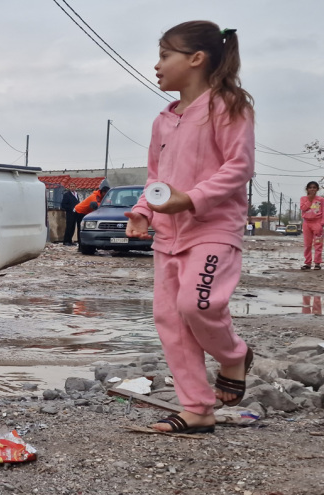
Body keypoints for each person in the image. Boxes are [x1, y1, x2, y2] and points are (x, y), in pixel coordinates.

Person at [124, 21, 255, 434]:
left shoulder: (228, 105)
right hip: (169, 236)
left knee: (198, 304)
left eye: (165, 55)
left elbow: (239, 166)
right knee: (169, 318)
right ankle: (197, 409)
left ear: (196, 59)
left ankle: (234, 355)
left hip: (214, 227)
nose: (157, 65)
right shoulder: (163, 120)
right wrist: (145, 209)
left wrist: (192, 198)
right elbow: (155, 177)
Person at [73, 179, 110, 250]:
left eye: (107, 192)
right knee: (81, 229)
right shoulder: (94, 197)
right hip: (80, 211)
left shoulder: (102, 197)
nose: (105, 194)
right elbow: (98, 207)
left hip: (86, 213)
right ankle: (81, 247)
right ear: (101, 191)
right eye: (104, 192)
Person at [299, 181, 323, 270]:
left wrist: (322, 223)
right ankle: (308, 263)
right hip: (307, 223)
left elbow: (323, 211)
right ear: (307, 189)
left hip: (317, 223)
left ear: (317, 189)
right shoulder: (303, 199)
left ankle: (317, 263)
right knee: (307, 244)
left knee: (318, 243)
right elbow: (303, 208)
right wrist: (310, 199)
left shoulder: (321, 199)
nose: (312, 189)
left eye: (314, 187)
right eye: (310, 187)